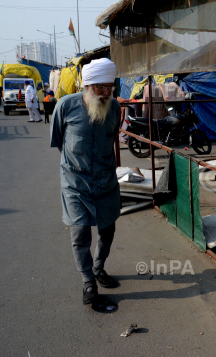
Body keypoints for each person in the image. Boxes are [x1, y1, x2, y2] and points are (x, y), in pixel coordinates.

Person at [50, 58, 121, 307]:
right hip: (75, 183)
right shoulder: (65, 106)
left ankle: (99, 268)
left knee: (107, 229)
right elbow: (59, 140)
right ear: (88, 85)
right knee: (80, 232)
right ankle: (87, 279)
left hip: (106, 181)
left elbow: (113, 136)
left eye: (109, 87)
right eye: (99, 87)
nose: (105, 93)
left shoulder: (115, 108)